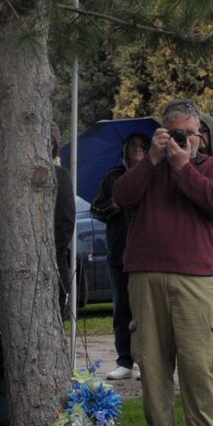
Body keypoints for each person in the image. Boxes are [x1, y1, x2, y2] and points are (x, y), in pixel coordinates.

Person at [112, 99, 213, 426]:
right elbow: (121, 196)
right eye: (176, 133)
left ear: (201, 136)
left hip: (197, 279)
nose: (186, 140)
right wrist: (151, 158)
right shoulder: (149, 166)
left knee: (200, 363)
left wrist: (184, 168)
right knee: (151, 362)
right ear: (163, 134)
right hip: (146, 275)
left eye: (191, 134)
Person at [93, 130, 149, 382]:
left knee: (147, 310)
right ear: (125, 149)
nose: (138, 149)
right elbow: (96, 208)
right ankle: (124, 360)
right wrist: (113, 206)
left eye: (142, 146)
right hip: (119, 253)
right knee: (122, 309)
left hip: (148, 254)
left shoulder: (154, 176)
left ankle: (147, 361)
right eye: (133, 146)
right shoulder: (112, 177)